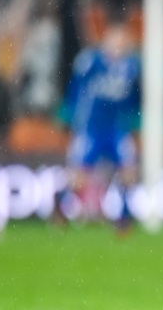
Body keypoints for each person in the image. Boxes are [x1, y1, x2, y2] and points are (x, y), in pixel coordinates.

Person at [53, 23, 141, 235]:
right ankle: (60, 205)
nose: (119, 45)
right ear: (106, 41)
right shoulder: (91, 61)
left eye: (123, 41)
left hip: (116, 129)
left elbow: (134, 98)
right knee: (79, 178)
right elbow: (75, 88)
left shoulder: (131, 67)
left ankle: (124, 218)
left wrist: (135, 121)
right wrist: (69, 115)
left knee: (129, 172)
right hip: (90, 128)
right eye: (115, 40)